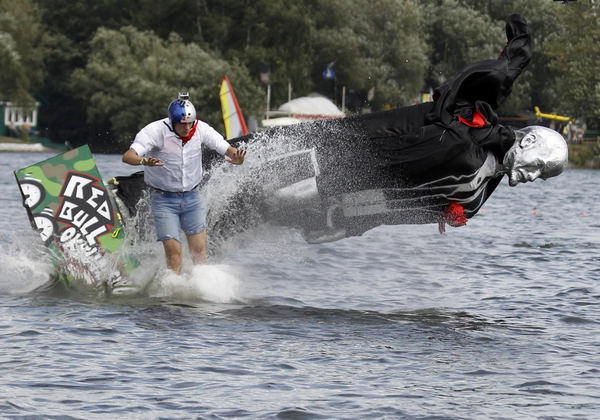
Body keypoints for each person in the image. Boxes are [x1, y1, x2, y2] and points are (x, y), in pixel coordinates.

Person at [224, 14, 568, 242]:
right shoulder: (471, 126)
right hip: (350, 152)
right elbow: (498, 76)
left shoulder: (480, 189)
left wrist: (351, 222)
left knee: (280, 216)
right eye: (539, 166)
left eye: (542, 176)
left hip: (353, 204)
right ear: (527, 143)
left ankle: (214, 237)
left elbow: (409, 204)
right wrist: (521, 46)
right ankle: (215, 168)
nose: (533, 176)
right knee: (274, 174)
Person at [122, 92, 246, 273]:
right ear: (172, 122)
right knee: (174, 254)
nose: (187, 128)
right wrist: (143, 161)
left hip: (192, 198)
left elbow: (226, 148)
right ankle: (173, 292)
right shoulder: (155, 132)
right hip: (164, 200)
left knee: (199, 252)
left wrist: (237, 158)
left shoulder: (201, 128)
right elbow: (128, 156)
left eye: (190, 123)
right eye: (182, 124)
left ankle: (199, 291)